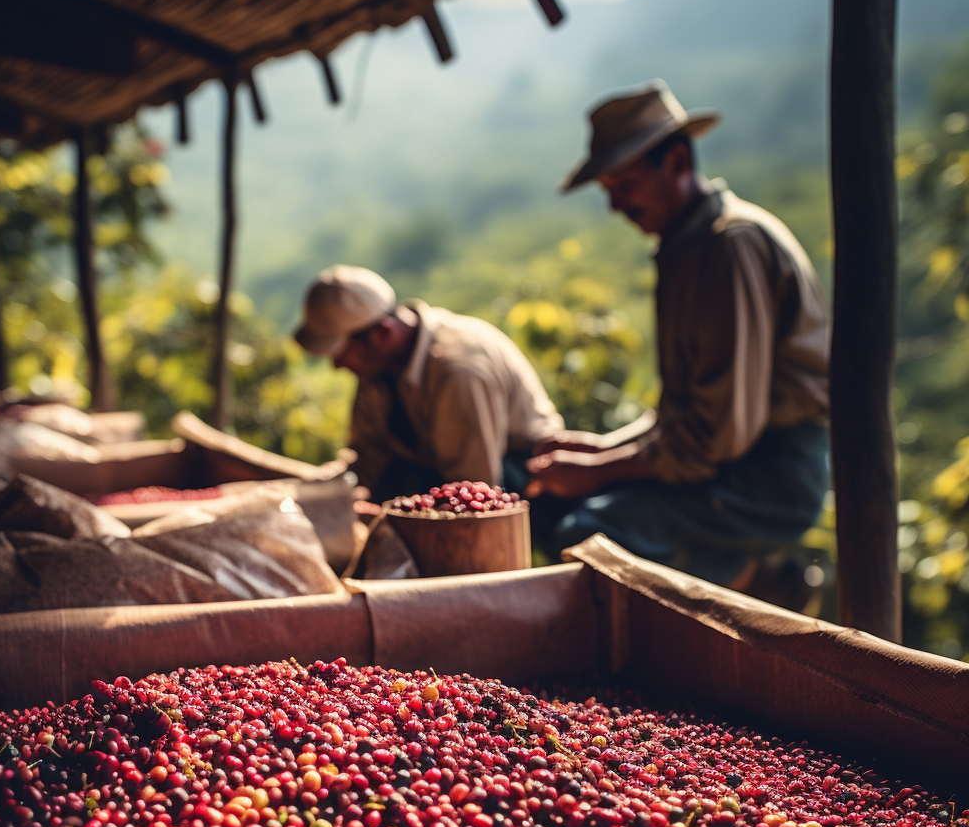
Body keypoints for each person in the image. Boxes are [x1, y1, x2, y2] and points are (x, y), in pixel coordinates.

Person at [527, 80, 831, 591]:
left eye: (624, 185)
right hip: (731, 461)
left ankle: (749, 583)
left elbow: (716, 438)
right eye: (609, 191)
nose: (616, 205)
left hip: (770, 475)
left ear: (677, 162)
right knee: (553, 506)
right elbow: (682, 413)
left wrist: (599, 472)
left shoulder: (731, 248)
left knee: (590, 534)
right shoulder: (684, 249)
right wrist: (601, 451)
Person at [295, 265, 564, 502]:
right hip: (438, 467)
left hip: (525, 471)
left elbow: (475, 486)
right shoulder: (377, 369)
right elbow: (366, 457)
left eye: (341, 353)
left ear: (382, 333)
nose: (337, 365)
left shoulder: (458, 371)